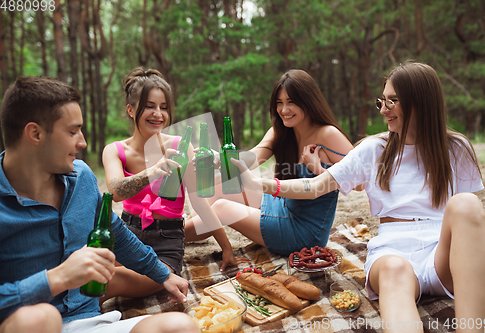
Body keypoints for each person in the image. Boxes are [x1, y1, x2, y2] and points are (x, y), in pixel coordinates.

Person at [233, 62, 485, 332]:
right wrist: (258, 183)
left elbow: (466, 226)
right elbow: (316, 187)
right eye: (382, 100)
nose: (383, 109)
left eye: (392, 101)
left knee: (467, 204)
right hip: (394, 251)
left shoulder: (457, 148)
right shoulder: (373, 148)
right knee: (394, 268)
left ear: (420, 102)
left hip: (443, 254)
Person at [0, 76, 200, 333]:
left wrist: (164, 275)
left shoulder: (81, 177)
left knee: (180, 325)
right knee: (41, 318)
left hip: (88, 323)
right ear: (35, 133)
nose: (82, 142)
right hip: (25, 325)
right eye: (73, 132)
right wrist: (56, 279)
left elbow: (116, 232)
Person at [101, 68, 248, 302]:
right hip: (128, 236)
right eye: (149, 106)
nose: (158, 114)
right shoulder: (115, 150)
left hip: (167, 242)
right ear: (130, 110)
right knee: (94, 271)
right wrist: (151, 171)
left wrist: (227, 248)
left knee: (112, 281)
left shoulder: (181, 146)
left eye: (164, 107)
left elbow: (199, 202)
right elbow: (116, 191)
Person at [186, 69, 357, 256]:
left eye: (291, 102)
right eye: (279, 103)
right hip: (282, 206)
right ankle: (183, 226)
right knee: (223, 188)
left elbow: (360, 184)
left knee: (221, 208)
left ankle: (172, 236)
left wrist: (317, 169)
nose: (284, 110)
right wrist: (220, 158)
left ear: (308, 101)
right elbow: (252, 157)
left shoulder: (328, 135)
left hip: (304, 233)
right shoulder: (281, 131)